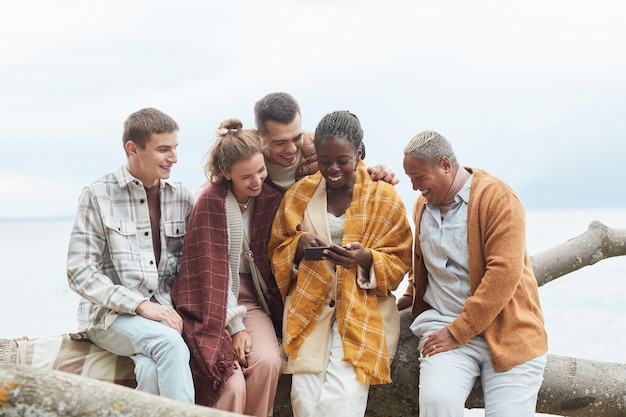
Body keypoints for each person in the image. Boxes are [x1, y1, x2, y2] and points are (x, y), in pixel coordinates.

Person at [268, 110, 412, 417]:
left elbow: (400, 261)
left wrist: (366, 260)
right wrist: (298, 245)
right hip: (309, 312)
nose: (332, 169)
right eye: (324, 160)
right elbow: (277, 249)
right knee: (304, 400)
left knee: (342, 401)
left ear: (358, 153)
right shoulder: (299, 195)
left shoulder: (384, 197)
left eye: (342, 160)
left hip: (364, 313)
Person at [399, 130, 548, 417]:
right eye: (410, 179)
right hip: (443, 325)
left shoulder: (498, 198)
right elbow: (422, 258)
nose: (415, 187)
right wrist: (410, 293)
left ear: (445, 164)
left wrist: (460, 331)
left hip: (509, 331)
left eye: (419, 177)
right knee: (436, 404)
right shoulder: (422, 205)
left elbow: (503, 274)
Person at [66, 107, 195, 403]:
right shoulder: (97, 195)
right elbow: (79, 271)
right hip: (109, 317)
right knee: (169, 343)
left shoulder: (183, 196)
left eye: (175, 148)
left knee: (150, 371)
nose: (173, 158)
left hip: (164, 312)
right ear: (133, 149)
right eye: (163, 149)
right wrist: (138, 305)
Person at [171, 119, 283, 416]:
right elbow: (209, 275)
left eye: (261, 170)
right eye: (247, 176)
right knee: (229, 384)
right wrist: (234, 327)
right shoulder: (210, 202)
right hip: (212, 307)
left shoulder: (271, 199)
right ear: (225, 173)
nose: (257, 180)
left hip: (253, 302)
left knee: (268, 362)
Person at [254, 91, 398, 193]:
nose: (291, 149)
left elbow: (353, 151)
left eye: (297, 138)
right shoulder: (245, 157)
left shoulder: (322, 148)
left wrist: (380, 173)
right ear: (259, 136)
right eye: (280, 143)